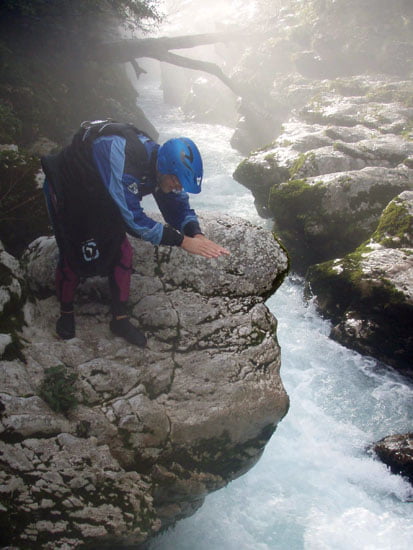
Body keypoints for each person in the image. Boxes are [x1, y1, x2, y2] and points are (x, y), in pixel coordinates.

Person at [41, 119, 229, 347]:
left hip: (102, 191)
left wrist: (195, 233)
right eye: (177, 180)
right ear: (166, 168)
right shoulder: (122, 156)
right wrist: (181, 241)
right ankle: (66, 312)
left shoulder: (161, 168)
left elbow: (177, 205)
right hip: (70, 188)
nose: (179, 186)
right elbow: (134, 221)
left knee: (122, 251)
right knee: (75, 251)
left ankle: (119, 319)